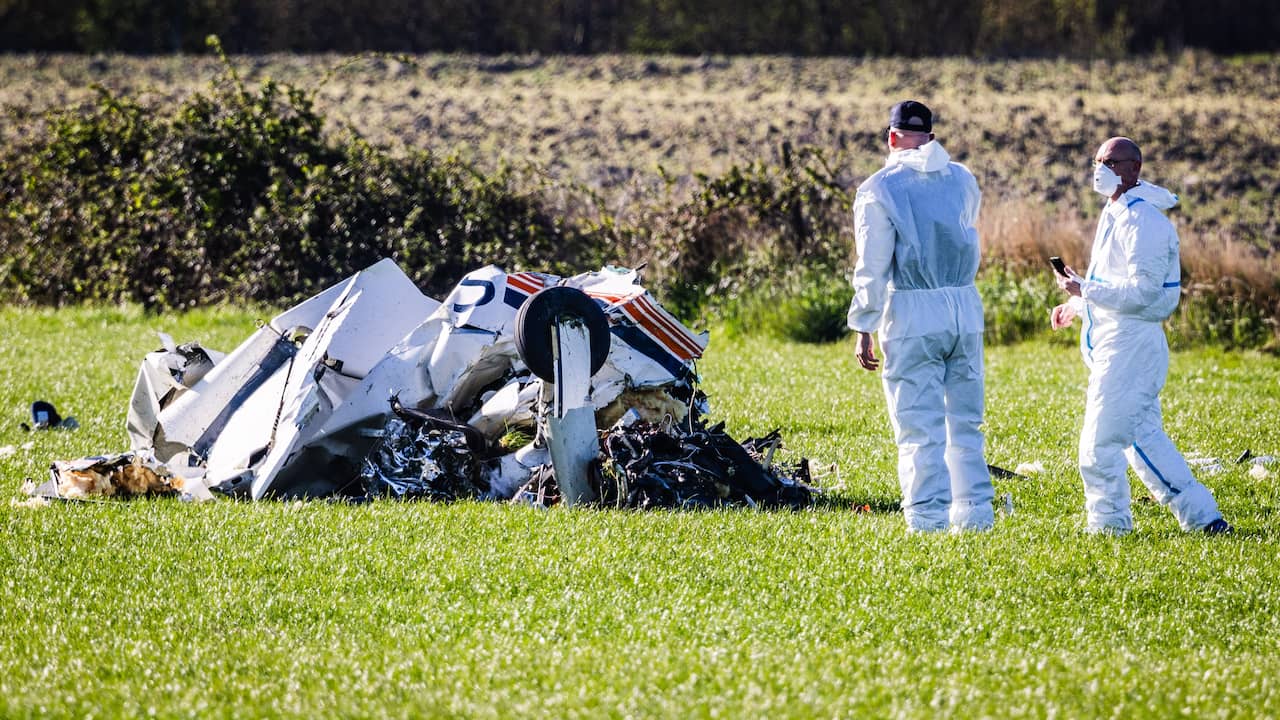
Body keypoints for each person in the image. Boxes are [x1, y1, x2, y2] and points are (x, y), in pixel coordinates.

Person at [1051, 136, 1230, 534]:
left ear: (1135, 168)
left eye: (1111, 162)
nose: (1101, 168)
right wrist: (1076, 305)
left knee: (1098, 447)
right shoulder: (1114, 213)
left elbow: (1148, 295)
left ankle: (1109, 529)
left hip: (1132, 350)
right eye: (1098, 160)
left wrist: (1087, 292)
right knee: (1144, 441)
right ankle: (1205, 520)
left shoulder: (1144, 221)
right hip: (1118, 346)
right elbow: (1112, 285)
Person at [847, 100, 994, 533]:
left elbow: (872, 265)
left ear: (892, 138)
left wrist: (864, 324)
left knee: (918, 423)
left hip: (912, 308)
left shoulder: (879, 188)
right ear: (930, 135)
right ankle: (975, 516)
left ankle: (927, 520)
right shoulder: (963, 178)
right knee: (965, 421)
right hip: (966, 308)